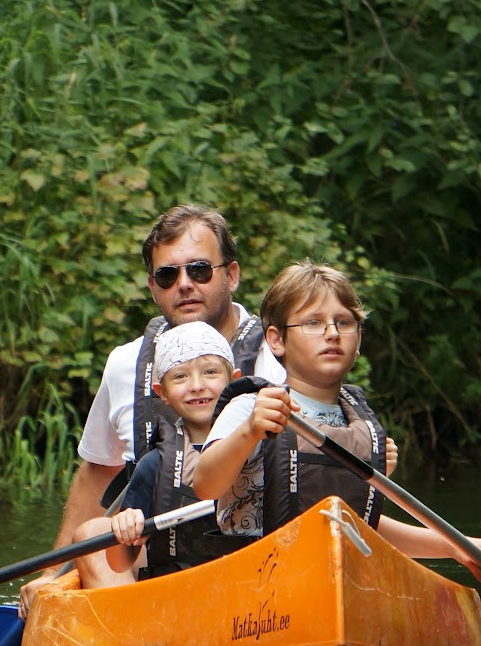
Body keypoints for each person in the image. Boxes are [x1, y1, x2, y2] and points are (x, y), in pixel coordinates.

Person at [18, 204, 284, 617]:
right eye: (167, 275)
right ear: (152, 287)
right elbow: (97, 472)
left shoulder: (278, 361)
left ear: (230, 275)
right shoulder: (126, 364)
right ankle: (133, 642)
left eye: (199, 270)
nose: (184, 285)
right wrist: (51, 575)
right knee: (98, 532)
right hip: (154, 567)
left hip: (256, 563)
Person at [192, 260, 481, 583]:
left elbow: (362, 528)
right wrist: (248, 433)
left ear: (358, 339)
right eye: (313, 323)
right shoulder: (252, 407)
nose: (332, 333)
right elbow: (206, 485)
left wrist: (456, 547)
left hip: (331, 585)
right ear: (277, 340)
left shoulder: (359, 427)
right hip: (253, 587)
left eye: (344, 322)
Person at [68, 321, 243, 590]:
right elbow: (119, 562)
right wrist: (126, 531)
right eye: (181, 377)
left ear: (234, 381)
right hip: (175, 594)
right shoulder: (155, 465)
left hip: (246, 585)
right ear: (163, 394)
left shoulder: (258, 445)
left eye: (210, 372)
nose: (197, 386)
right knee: (95, 532)